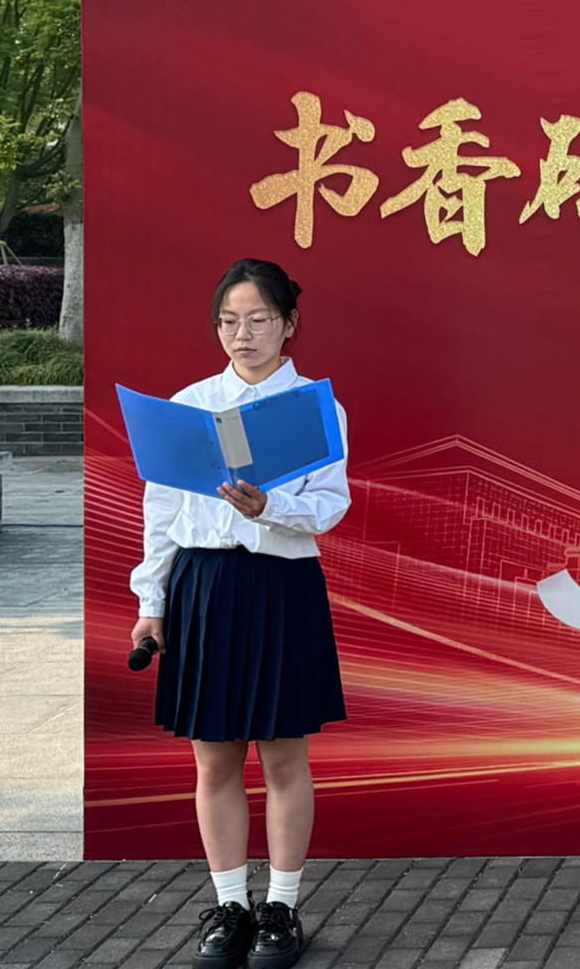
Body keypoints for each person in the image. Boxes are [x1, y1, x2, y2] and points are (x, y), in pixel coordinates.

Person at [129, 260, 349, 969]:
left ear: (289, 324)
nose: (241, 334)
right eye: (229, 321)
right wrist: (151, 603)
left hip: (281, 585)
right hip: (204, 585)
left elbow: (330, 506)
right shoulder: (189, 405)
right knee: (215, 756)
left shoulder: (316, 408)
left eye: (258, 320)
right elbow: (161, 514)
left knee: (283, 756)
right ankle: (230, 906)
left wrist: (270, 506)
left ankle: (280, 908)